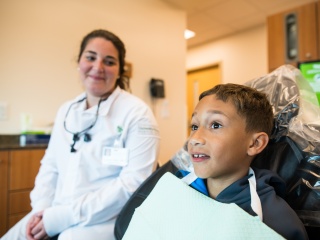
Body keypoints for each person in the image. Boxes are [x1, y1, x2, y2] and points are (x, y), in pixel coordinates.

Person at [1, 29, 160, 240]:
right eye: (91, 57)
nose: (98, 67)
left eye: (109, 61)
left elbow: (131, 185)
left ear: (120, 70)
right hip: (54, 209)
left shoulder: (138, 114)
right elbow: (50, 166)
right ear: (79, 61)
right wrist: (42, 210)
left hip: (107, 218)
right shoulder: (67, 111)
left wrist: (60, 218)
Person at [122, 83, 308, 240]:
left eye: (215, 125)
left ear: (255, 143)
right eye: (194, 126)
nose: (195, 138)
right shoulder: (175, 187)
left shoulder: (276, 220)